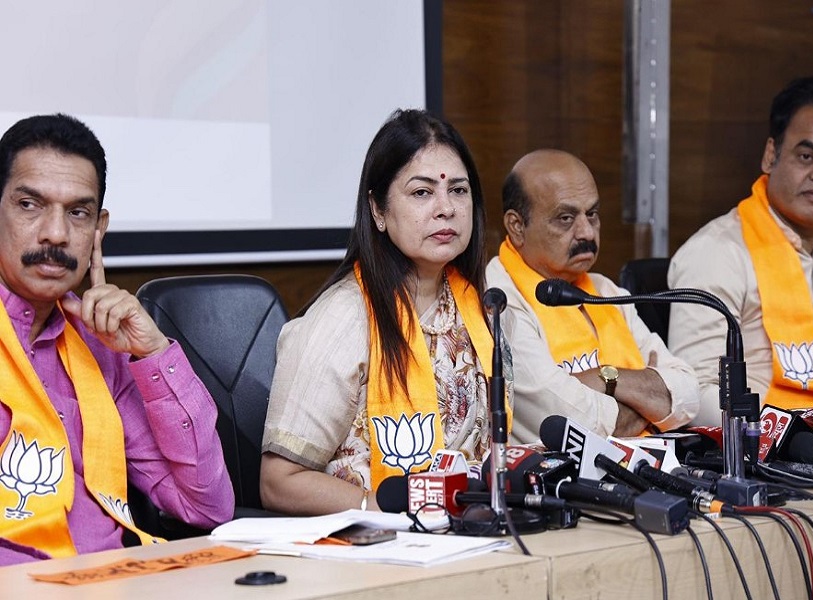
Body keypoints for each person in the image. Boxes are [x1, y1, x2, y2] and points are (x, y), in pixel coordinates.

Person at [0, 114, 234, 565]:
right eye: (30, 205)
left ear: (98, 229)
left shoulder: (99, 345)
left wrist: (153, 353)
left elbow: (206, 507)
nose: (56, 233)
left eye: (78, 213)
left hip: (113, 582)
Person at [260, 109, 503, 516]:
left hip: (472, 530)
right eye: (422, 193)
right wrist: (382, 510)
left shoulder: (483, 309)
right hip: (378, 539)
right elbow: (279, 482)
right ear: (378, 210)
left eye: (459, 190)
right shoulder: (342, 318)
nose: (446, 208)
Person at [669, 76, 813, 426]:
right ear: (771, 155)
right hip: (773, 449)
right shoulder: (717, 254)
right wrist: (786, 440)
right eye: (807, 156)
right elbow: (695, 394)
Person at [486, 149, 699, 442]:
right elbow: (568, 422)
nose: (586, 232)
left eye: (592, 214)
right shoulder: (499, 300)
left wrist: (603, 377)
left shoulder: (604, 289)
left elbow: (687, 394)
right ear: (517, 226)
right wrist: (649, 403)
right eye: (565, 218)